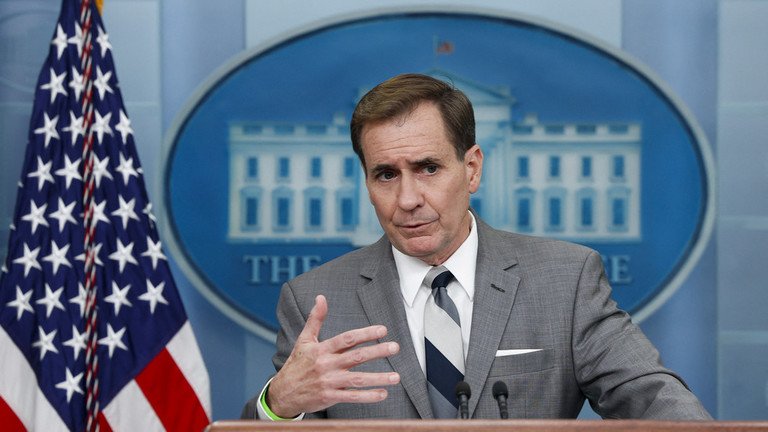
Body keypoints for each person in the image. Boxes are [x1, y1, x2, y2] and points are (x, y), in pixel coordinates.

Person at [241, 73, 711, 420]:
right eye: (386, 175)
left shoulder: (566, 281)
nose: (407, 199)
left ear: (471, 169)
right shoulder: (314, 300)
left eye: (428, 168)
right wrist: (279, 404)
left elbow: (654, 400)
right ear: (366, 182)